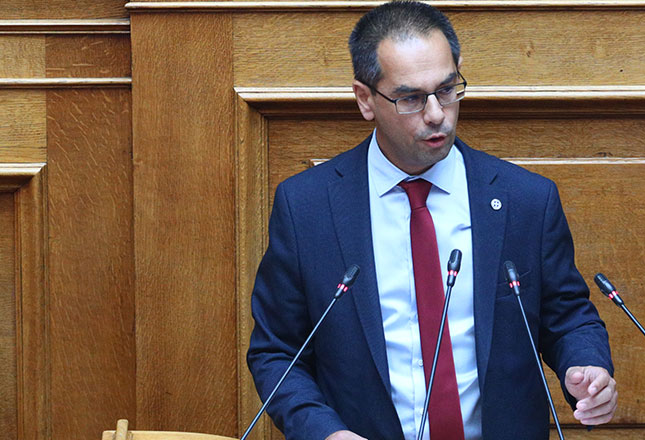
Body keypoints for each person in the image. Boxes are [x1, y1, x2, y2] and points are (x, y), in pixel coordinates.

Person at [247, 1, 618, 439]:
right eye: (410, 98)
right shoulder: (307, 207)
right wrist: (325, 433)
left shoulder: (525, 200)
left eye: (446, 89)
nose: (436, 113)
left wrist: (587, 366)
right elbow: (277, 352)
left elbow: (568, 316)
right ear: (365, 99)